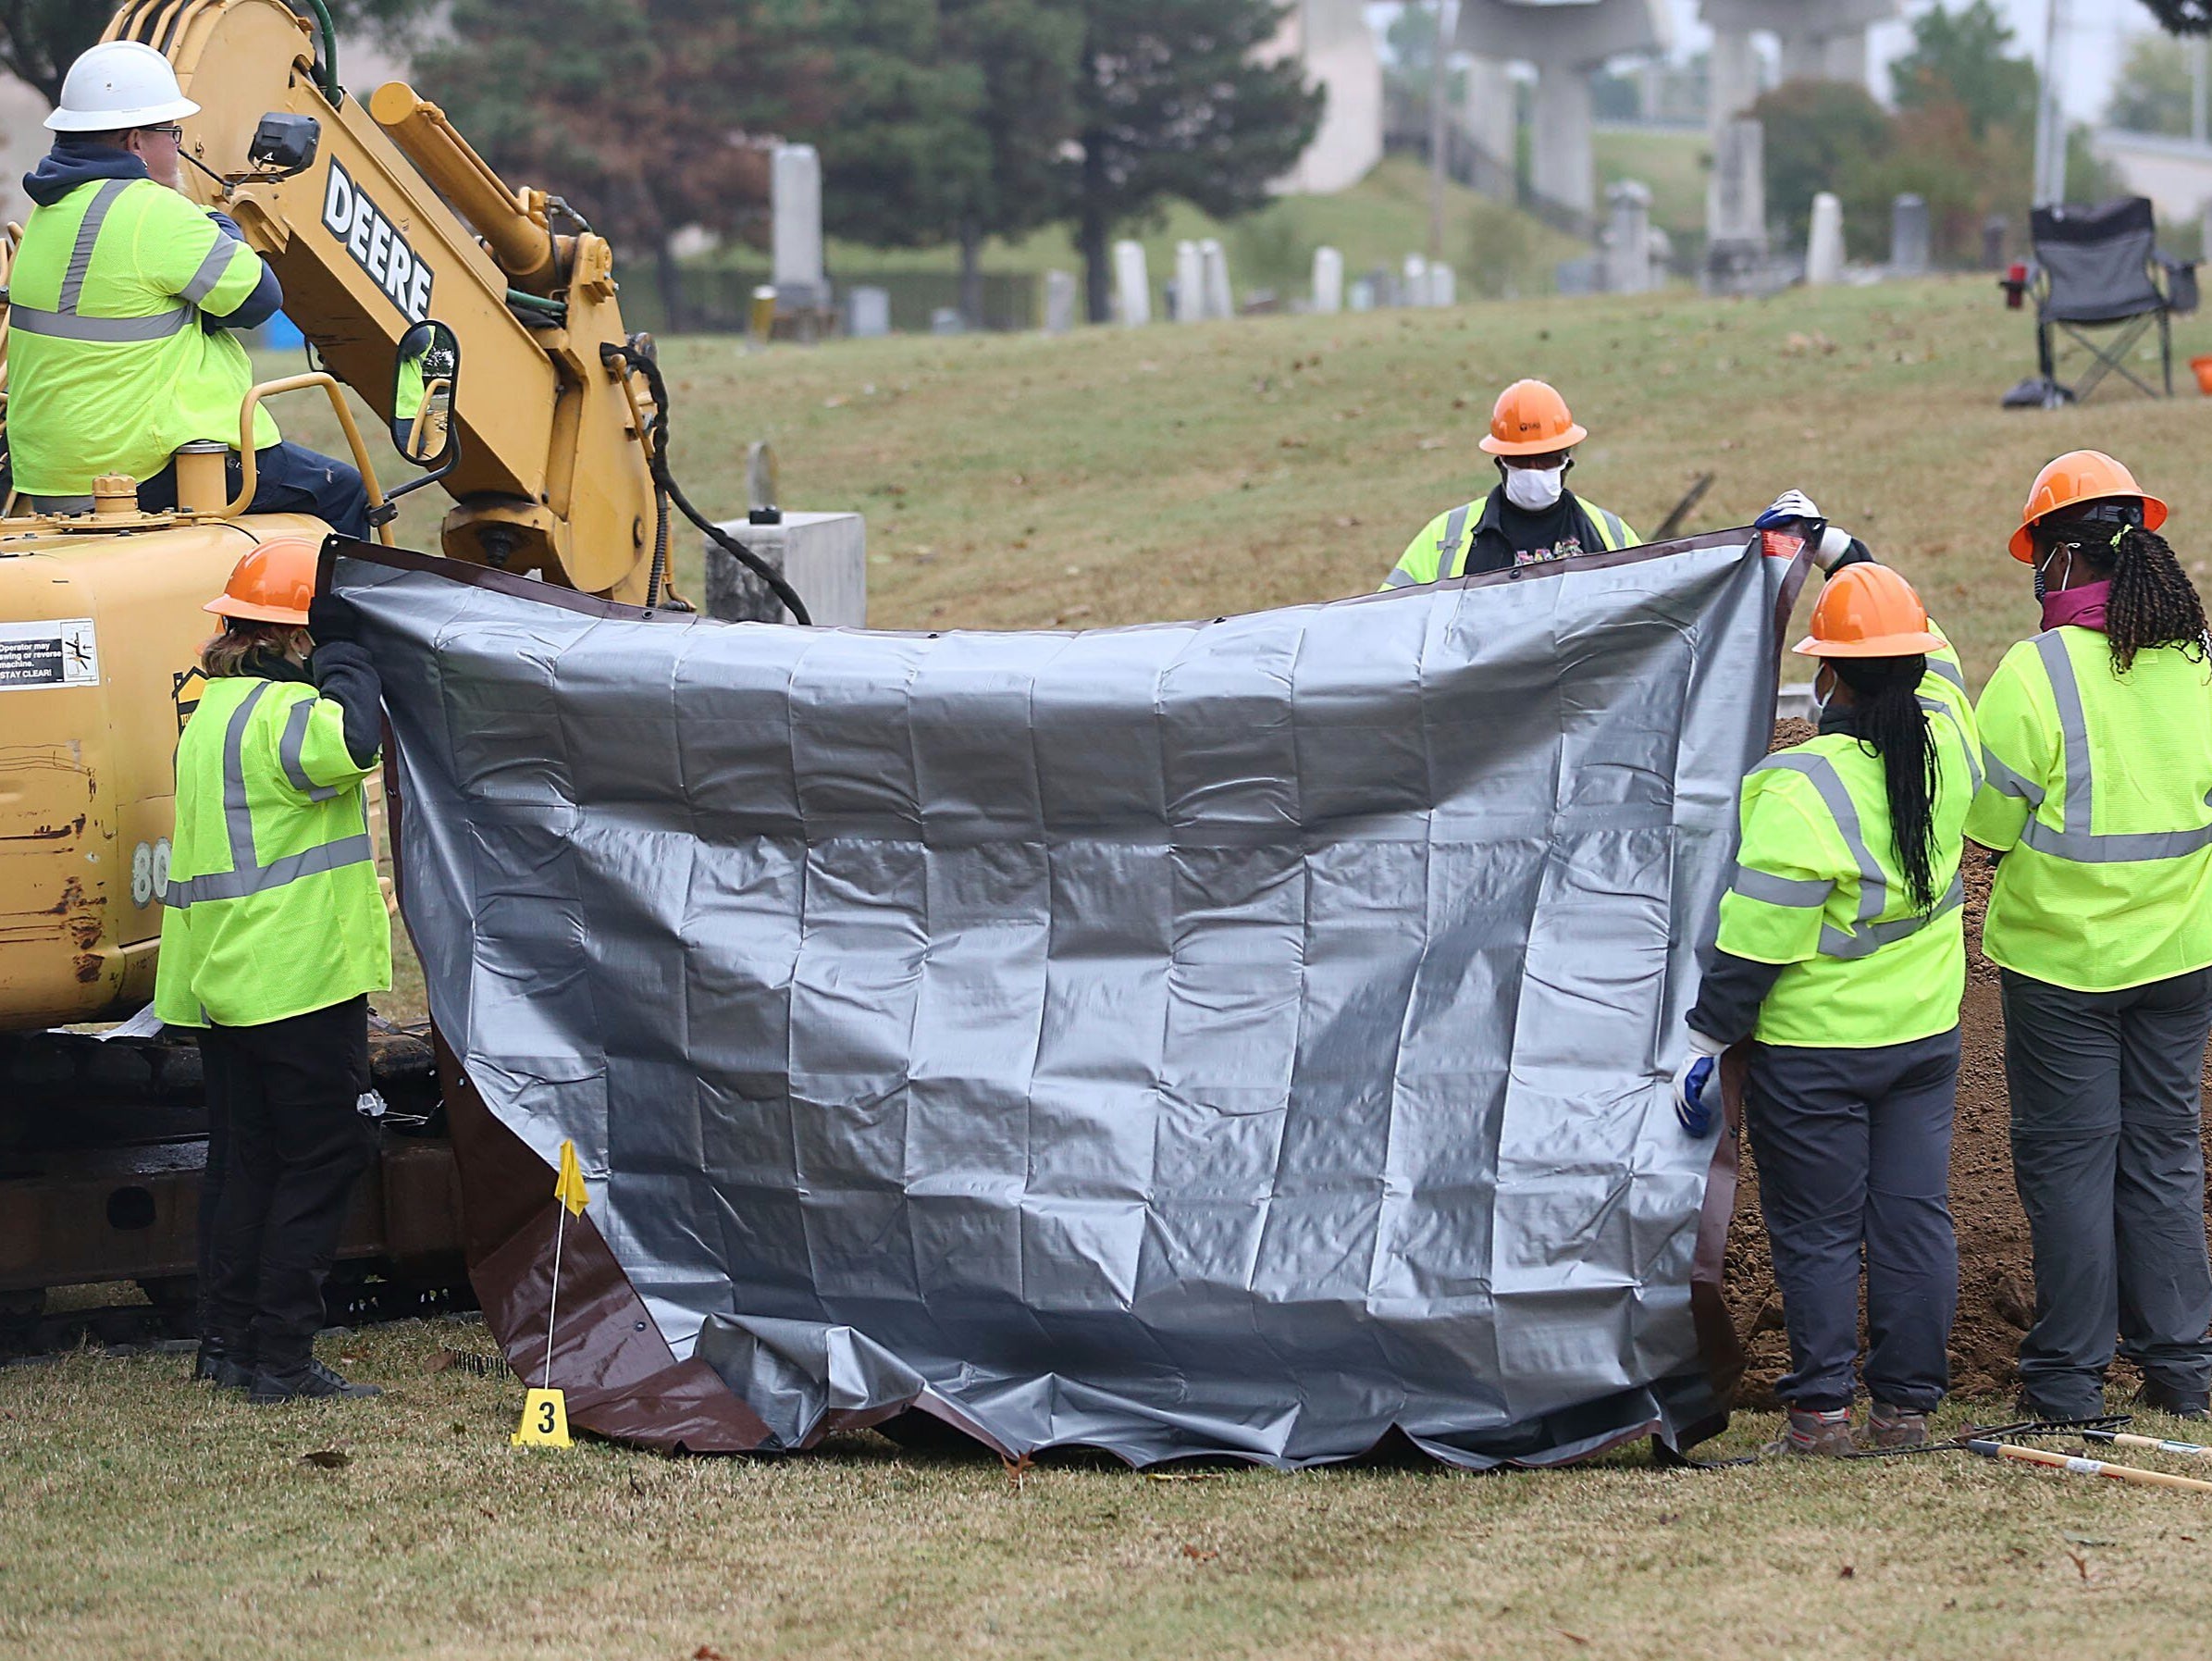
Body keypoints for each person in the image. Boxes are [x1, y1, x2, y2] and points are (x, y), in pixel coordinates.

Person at [1676, 519, 1978, 1456]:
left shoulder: (1798, 786)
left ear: (1832, 677)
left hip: (1815, 1055)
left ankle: (1818, 1414)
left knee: (1814, 1232)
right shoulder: (1953, 740)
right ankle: (1905, 1410)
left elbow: (1753, 942)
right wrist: (1846, 550)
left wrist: (1704, 1041)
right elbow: (1945, 659)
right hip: (1924, 1039)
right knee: (1913, 1220)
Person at [1967, 450, 2212, 1423]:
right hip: (2182, 958)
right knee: (2164, 1157)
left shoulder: (2034, 671)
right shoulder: (2196, 661)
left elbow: (1984, 824)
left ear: (2060, 561)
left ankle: (2069, 1386)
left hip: (2062, 966)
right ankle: (2184, 1374)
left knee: (2070, 1167)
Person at [155, 535, 389, 1404]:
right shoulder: (287, 715)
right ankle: (282, 1358)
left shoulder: (212, 711)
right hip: (294, 977)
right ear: (296, 641)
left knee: (247, 1160)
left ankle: (228, 1345)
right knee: (329, 1151)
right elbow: (356, 741)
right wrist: (353, 652)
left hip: (225, 979)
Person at [8, 42, 370, 539]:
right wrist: (224, 229)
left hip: (53, 469)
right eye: (171, 132)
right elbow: (259, 300)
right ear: (136, 141)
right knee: (340, 490)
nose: (178, 146)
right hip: (145, 464)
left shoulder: (48, 215)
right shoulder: (155, 213)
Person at [1378, 379, 1639, 589]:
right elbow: (1392, 617)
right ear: (1501, 461)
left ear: (1567, 461)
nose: (1534, 471)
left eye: (1547, 459)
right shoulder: (1445, 537)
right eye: (1523, 460)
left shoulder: (1612, 534)